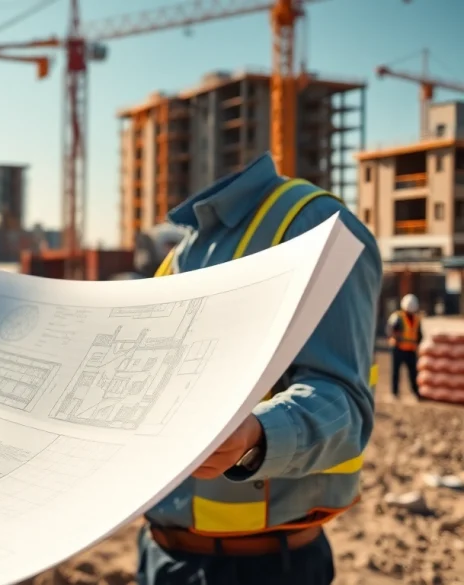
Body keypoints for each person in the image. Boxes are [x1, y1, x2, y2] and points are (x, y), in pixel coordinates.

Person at [142, 152, 382, 584]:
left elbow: (345, 403)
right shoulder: (181, 254)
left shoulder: (314, 222)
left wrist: (255, 437)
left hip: (259, 568)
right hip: (159, 555)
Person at [387, 293, 423, 400]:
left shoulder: (417, 319)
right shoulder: (397, 317)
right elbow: (391, 330)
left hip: (410, 350)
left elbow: (419, 334)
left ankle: (416, 392)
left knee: (413, 373)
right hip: (398, 349)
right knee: (395, 372)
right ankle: (395, 392)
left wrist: (418, 344)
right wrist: (395, 338)